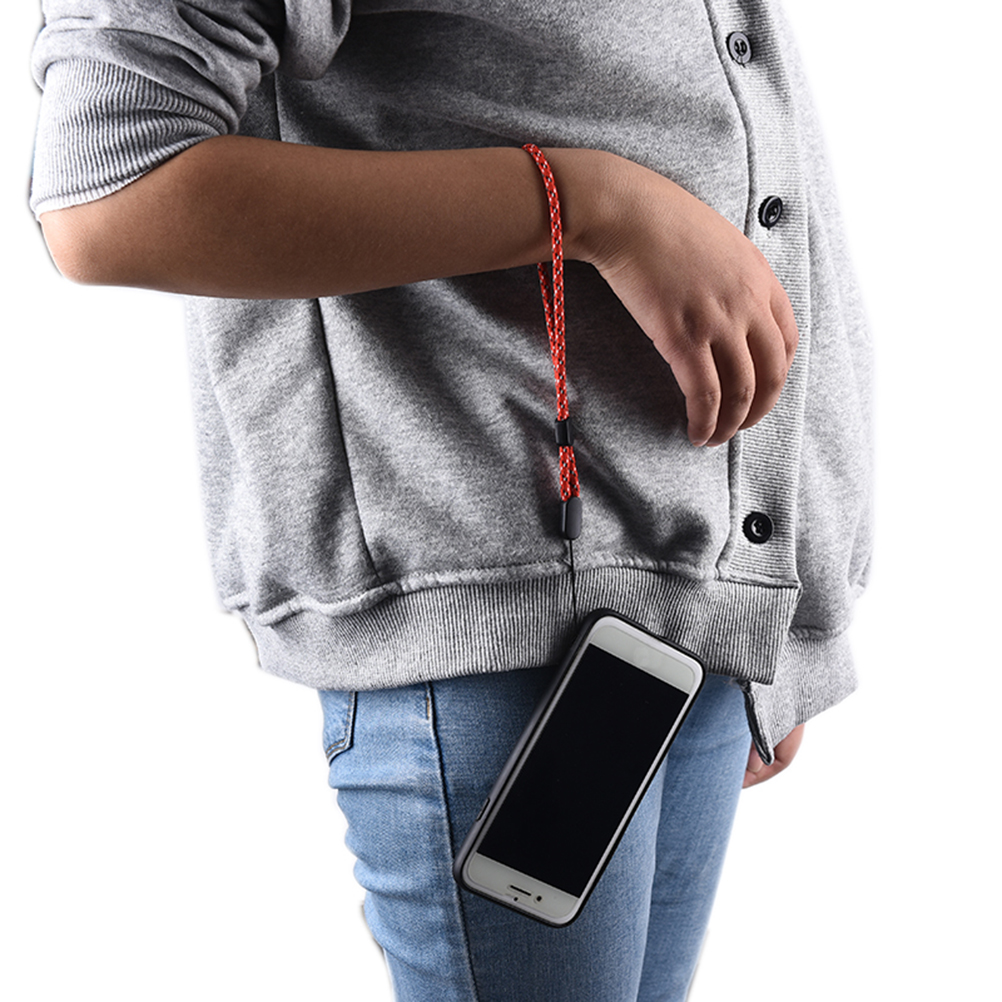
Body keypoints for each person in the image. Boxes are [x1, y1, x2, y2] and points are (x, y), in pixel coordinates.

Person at [30, 1, 871, 999]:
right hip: (500, 649)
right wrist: (591, 206)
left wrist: (765, 607)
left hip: (684, 622)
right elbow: (113, 195)